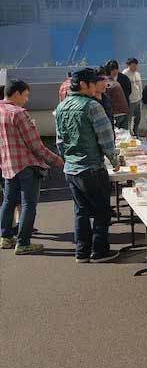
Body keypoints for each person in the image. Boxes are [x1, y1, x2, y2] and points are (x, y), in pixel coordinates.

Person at [55, 68, 120, 263]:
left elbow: (60, 141)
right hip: (91, 167)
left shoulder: (61, 106)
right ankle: (99, 251)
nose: (96, 86)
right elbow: (105, 137)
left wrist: (67, 159)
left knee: (81, 211)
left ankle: (82, 252)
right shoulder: (92, 106)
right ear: (83, 84)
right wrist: (114, 160)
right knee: (102, 211)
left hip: (71, 168)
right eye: (94, 82)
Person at [0, 80, 64, 254]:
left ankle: (5, 237)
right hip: (27, 165)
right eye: (26, 95)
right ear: (17, 94)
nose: (27, 100)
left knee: (8, 201)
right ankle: (23, 243)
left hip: (7, 164)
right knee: (28, 204)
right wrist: (57, 161)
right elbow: (36, 145)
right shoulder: (19, 113)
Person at [104, 64, 129, 129]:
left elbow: (105, 99)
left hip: (116, 114)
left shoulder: (108, 84)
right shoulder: (115, 82)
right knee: (124, 134)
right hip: (123, 112)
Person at [122, 58, 143, 136]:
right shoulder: (125, 74)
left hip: (138, 99)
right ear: (128, 65)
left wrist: (141, 96)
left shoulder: (137, 74)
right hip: (130, 100)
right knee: (129, 118)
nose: (135, 67)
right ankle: (129, 134)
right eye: (133, 65)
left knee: (138, 117)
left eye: (136, 65)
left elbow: (140, 86)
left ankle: (135, 132)